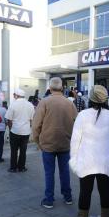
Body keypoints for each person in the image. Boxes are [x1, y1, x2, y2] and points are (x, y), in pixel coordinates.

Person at [70, 85, 109, 217]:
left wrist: (74, 158)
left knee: (85, 192)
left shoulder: (82, 115)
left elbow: (75, 140)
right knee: (105, 192)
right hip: (105, 161)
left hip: (86, 161)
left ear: (90, 98)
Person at [32, 77, 78, 209]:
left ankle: (49, 199)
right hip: (65, 143)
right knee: (65, 171)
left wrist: (37, 141)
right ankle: (67, 197)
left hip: (48, 143)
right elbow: (77, 123)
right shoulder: (70, 103)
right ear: (63, 88)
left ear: (50, 88)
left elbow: (36, 125)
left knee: (49, 172)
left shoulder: (44, 102)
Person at [5, 89, 35, 173]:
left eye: (14, 94)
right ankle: (21, 167)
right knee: (23, 150)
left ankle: (13, 168)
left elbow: (9, 120)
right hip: (26, 131)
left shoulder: (13, 105)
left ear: (16, 95)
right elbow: (32, 119)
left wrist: (11, 129)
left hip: (15, 130)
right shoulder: (30, 105)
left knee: (14, 150)